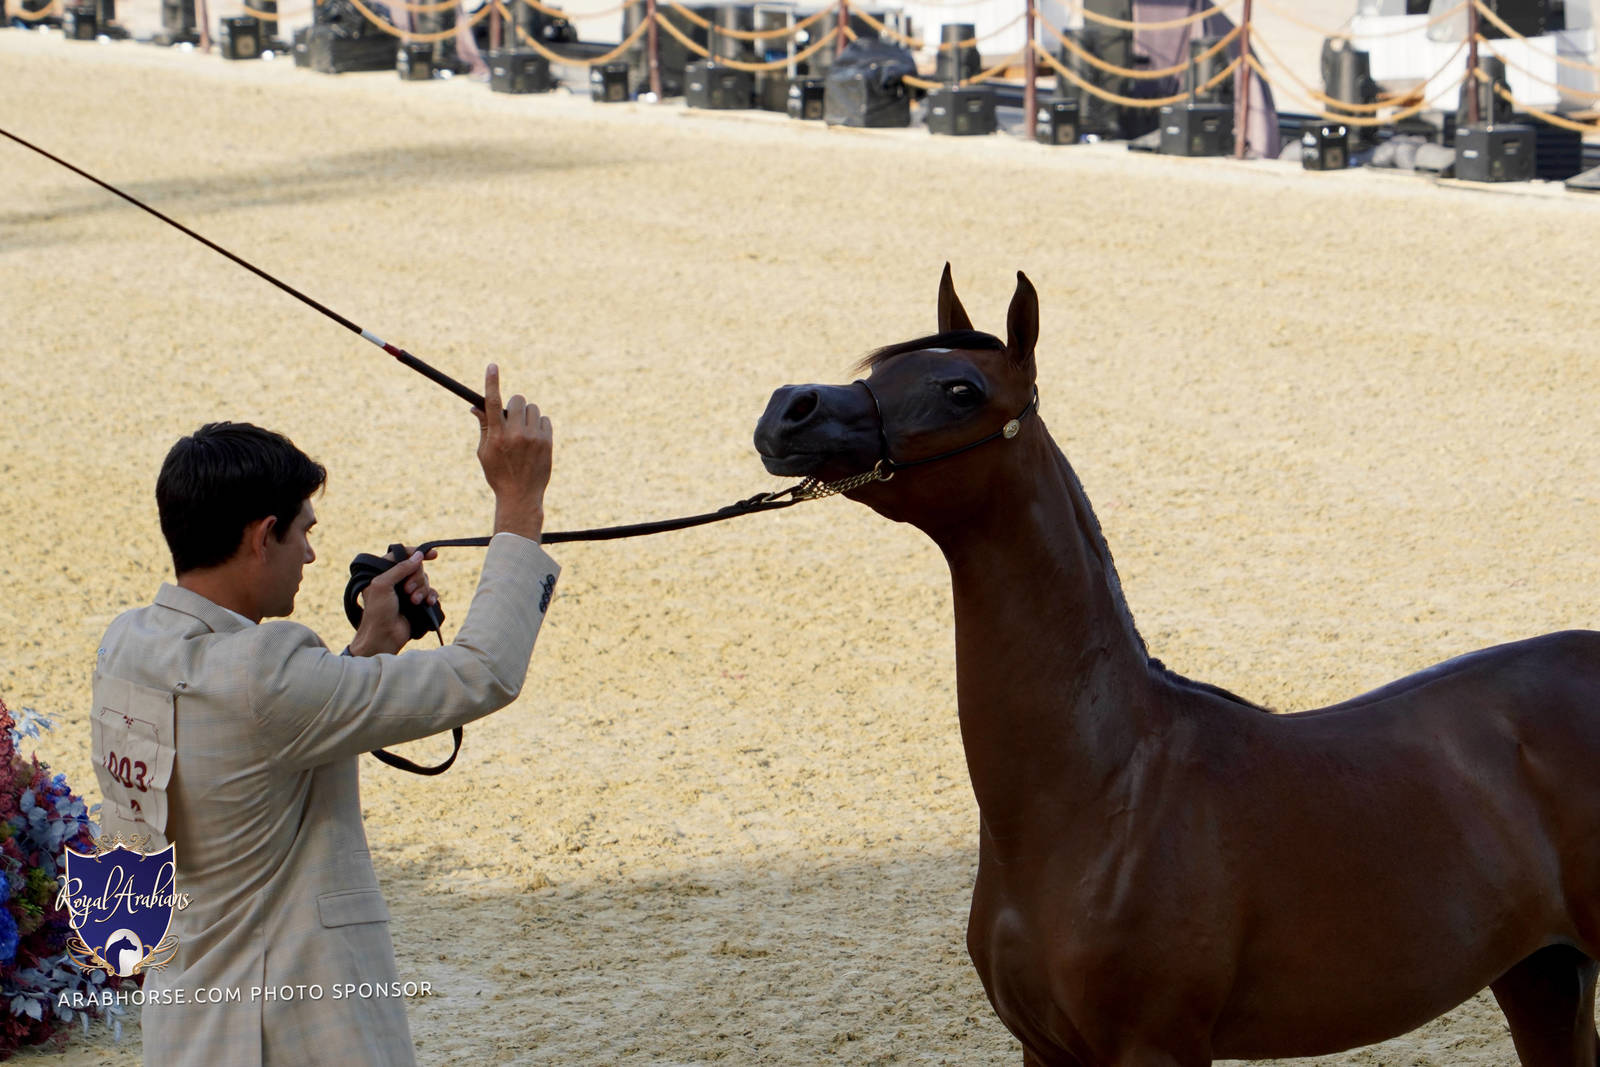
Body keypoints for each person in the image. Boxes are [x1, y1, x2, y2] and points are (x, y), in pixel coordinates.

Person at [90, 365, 556, 1066]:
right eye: (304, 533)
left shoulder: (125, 646)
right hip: (297, 1033)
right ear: (263, 533)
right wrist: (519, 507)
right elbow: (480, 673)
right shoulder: (265, 674)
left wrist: (366, 650)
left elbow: (256, 741)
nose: (311, 554)